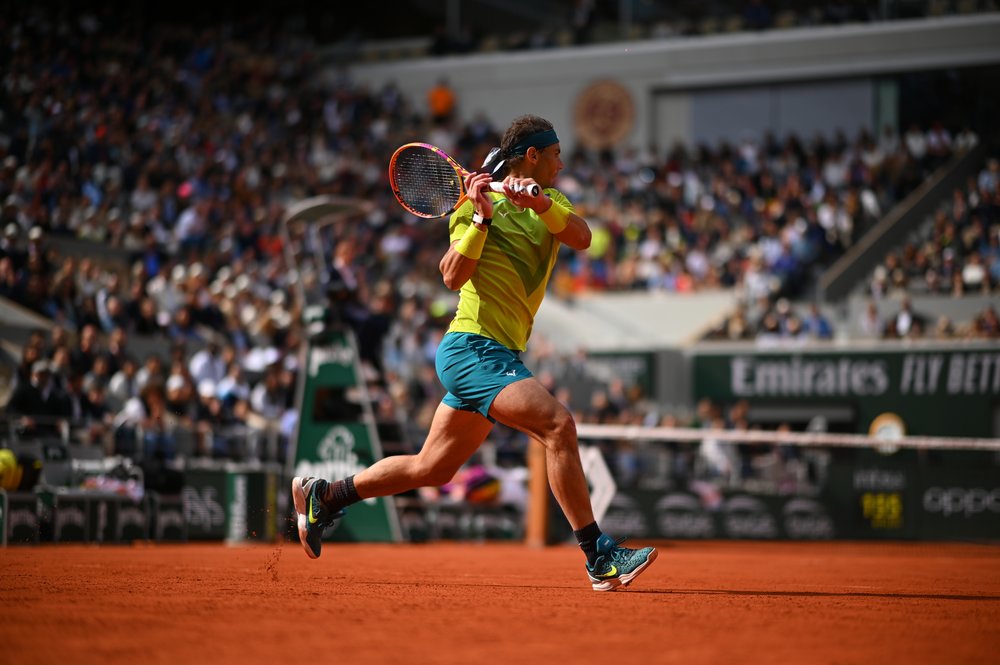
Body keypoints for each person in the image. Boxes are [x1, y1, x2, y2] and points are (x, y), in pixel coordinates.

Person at [292, 115, 657, 591]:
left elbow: (582, 237)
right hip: (471, 349)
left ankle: (326, 496)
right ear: (533, 155)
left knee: (432, 467)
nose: (561, 163)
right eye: (556, 154)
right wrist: (482, 214)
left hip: (499, 352)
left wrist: (541, 202)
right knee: (558, 425)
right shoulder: (469, 204)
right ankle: (598, 556)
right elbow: (451, 275)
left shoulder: (553, 201)